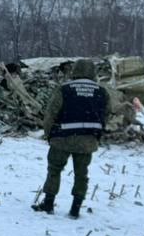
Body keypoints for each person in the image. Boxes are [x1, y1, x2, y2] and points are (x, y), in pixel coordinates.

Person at [33, 58, 109, 219]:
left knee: (54, 170)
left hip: (62, 139)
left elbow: (51, 113)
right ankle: (75, 209)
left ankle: (48, 204)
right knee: (81, 174)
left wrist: (48, 134)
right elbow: (105, 115)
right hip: (87, 141)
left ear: (75, 71)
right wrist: (97, 135)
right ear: (93, 72)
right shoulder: (102, 92)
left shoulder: (65, 89)